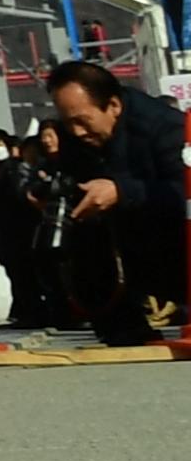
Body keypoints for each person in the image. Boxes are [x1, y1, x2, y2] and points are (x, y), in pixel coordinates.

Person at [44, 60, 187, 346]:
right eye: (67, 122)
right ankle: (116, 320)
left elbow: (182, 193)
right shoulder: (74, 137)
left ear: (113, 106)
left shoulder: (166, 128)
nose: (76, 132)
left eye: (82, 121)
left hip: (174, 237)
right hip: (120, 241)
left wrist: (121, 191)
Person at [0, 127, 60, 328]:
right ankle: (30, 312)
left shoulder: (18, 170)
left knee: (29, 275)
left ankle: (37, 312)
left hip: (22, 231)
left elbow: (22, 197)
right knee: (21, 276)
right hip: (7, 231)